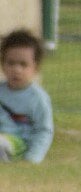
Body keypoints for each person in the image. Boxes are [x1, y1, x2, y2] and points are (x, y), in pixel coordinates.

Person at [0, 28, 54, 164]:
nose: (16, 70)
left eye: (23, 65)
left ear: (35, 67)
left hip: (20, 145)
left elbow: (44, 131)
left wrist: (32, 159)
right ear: (3, 64)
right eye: (11, 63)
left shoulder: (38, 98)